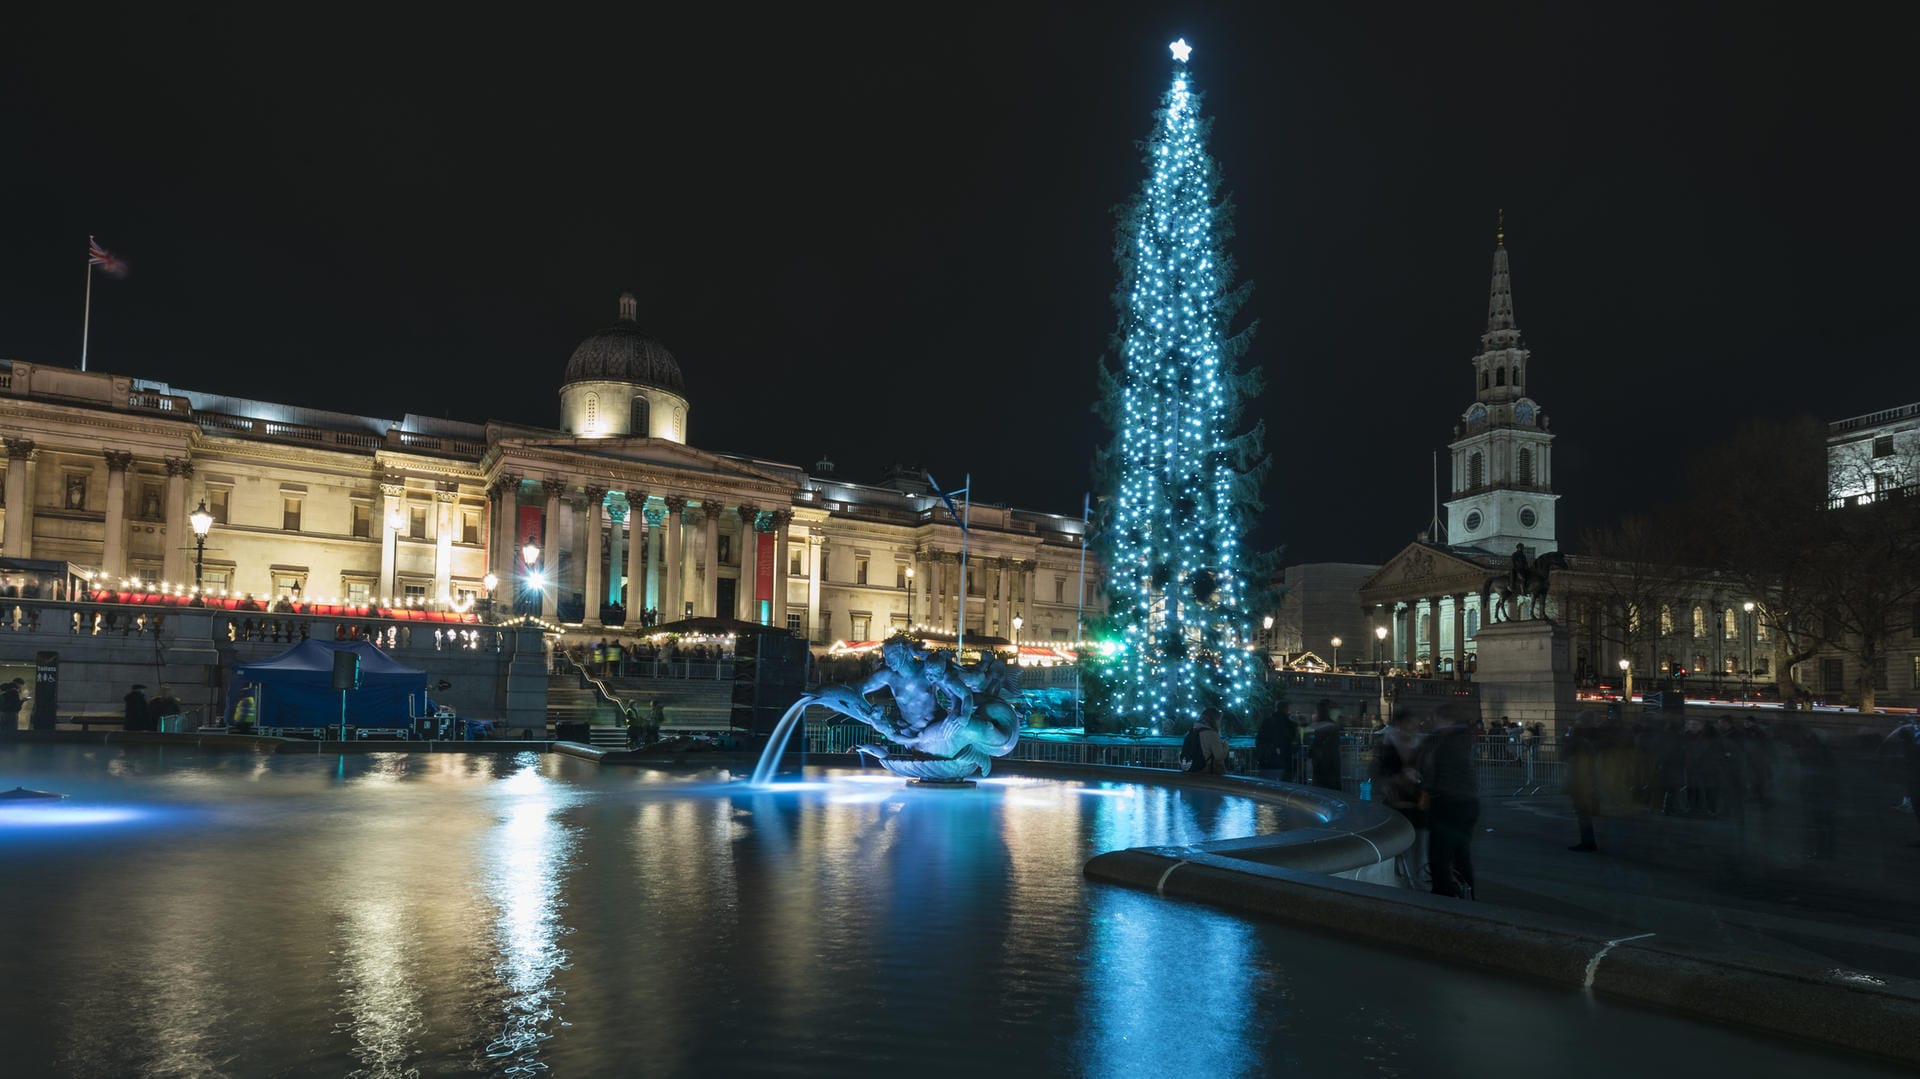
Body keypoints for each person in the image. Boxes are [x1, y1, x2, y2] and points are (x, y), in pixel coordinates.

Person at [1419, 710, 1480, 898]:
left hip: (1448, 804)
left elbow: (1434, 772)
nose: (1433, 723)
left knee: (1439, 856)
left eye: (1438, 719)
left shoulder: (1443, 741)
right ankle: (1469, 892)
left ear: (1447, 721)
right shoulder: (1464, 738)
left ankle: (1445, 895)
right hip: (1468, 803)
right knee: (1462, 853)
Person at [1564, 713, 1603, 851]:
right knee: (1583, 812)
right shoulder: (1591, 738)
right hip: (1585, 778)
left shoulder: (1580, 739)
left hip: (1582, 780)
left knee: (1583, 812)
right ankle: (1588, 841)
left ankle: (1588, 842)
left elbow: (1567, 752)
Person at [1254, 707, 1297, 780]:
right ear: (1286, 710)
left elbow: (1259, 739)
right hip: (1282, 760)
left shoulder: (1267, 721)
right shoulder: (1288, 724)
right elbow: (1291, 740)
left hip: (1266, 760)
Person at [1308, 699, 1342, 791]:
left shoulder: (1321, 725)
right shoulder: (1332, 724)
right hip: (1329, 759)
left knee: (1321, 784)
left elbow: (1316, 741)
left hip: (1322, 758)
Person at [1181, 708, 1228, 774]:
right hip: (1205, 771)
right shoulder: (1211, 733)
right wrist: (1225, 746)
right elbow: (1219, 756)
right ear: (1215, 719)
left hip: (1190, 768)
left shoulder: (1192, 730)